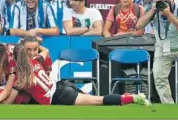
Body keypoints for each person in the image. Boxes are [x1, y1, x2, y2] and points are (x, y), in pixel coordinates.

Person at [10, 45, 150, 106]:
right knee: (94, 101)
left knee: (98, 101)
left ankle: (132, 98)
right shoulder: (36, 61)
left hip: (59, 96)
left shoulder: (19, 78)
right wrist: (38, 46)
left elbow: (8, 98)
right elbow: (45, 51)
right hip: (60, 85)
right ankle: (130, 98)